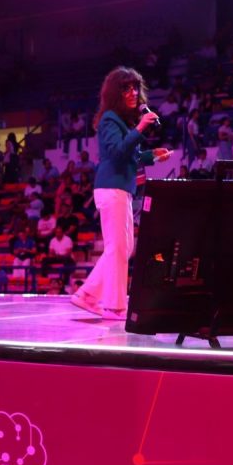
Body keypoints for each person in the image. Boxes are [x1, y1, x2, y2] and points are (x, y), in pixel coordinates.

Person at [70, 67, 171, 320]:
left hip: (120, 188)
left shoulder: (122, 122)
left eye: (135, 88)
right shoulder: (110, 119)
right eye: (126, 89)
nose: (133, 93)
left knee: (123, 248)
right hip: (111, 186)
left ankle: (88, 295)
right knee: (117, 247)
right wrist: (140, 128)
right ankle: (113, 306)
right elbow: (116, 153)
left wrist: (152, 156)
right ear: (116, 93)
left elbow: (129, 155)